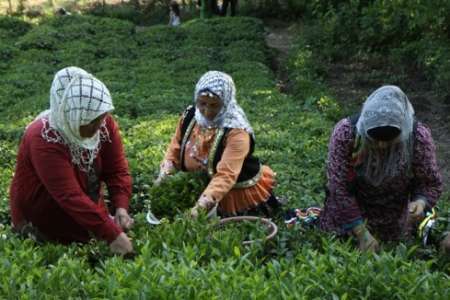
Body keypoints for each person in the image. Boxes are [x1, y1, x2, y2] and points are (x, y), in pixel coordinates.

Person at [9, 66, 134, 256]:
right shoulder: (43, 137)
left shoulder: (103, 122)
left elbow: (117, 170)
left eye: (101, 118)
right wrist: (112, 235)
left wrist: (121, 208)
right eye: (91, 121)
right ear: (71, 114)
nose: (99, 126)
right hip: (44, 218)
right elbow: (69, 195)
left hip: (88, 215)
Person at [320, 85, 443, 252]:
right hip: (346, 221)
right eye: (375, 138)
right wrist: (361, 233)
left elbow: (430, 183)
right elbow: (338, 188)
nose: (382, 145)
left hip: (396, 224)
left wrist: (420, 202)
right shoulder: (347, 133)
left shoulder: (417, 137)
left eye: (390, 139)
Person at [156, 71, 282, 218]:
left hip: (232, 192)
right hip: (201, 182)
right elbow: (175, 147)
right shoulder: (190, 115)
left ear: (225, 103)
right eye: (202, 103)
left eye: (214, 106)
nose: (207, 111)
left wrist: (201, 206)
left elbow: (226, 175)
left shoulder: (237, 132)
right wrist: (164, 174)